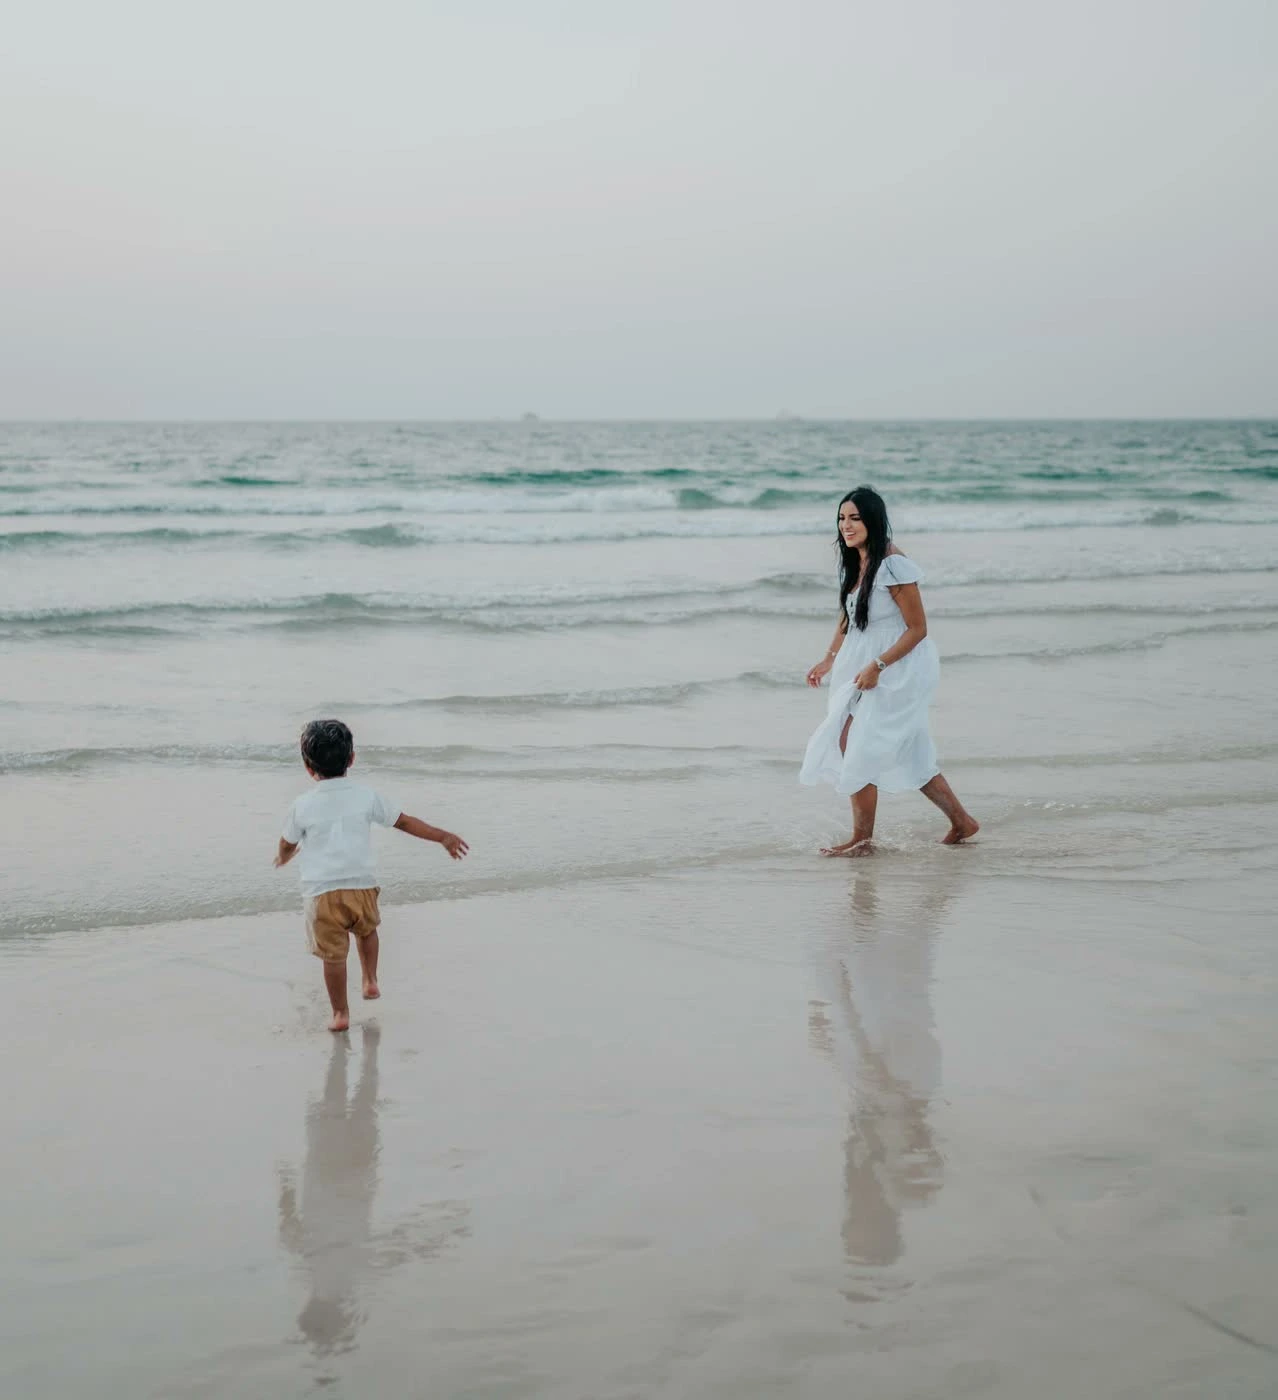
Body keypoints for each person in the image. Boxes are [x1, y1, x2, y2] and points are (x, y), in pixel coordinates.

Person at [799, 486, 978, 855]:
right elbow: (850, 616)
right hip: (863, 662)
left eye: (855, 518)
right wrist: (829, 658)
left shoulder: (892, 563)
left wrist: (878, 666)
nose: (846, 526)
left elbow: (918, 628)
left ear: (873, 521)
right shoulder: (856, 560)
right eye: (841, 518)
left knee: (858, 743)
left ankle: (862, 841)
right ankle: (962, 822)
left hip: (899, 665)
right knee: (906, 749)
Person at [275, 718, 469, 1031]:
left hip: (321, 893)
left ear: (308, 767)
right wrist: (442, 836)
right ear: (351, 759)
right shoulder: (365, 795)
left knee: (333, 957)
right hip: (361, 886)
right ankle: (370, 979)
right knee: (367, 931)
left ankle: (340, 1014)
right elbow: (404, 822)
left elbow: (288, 841)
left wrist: (283, 857)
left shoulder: (302, 804)